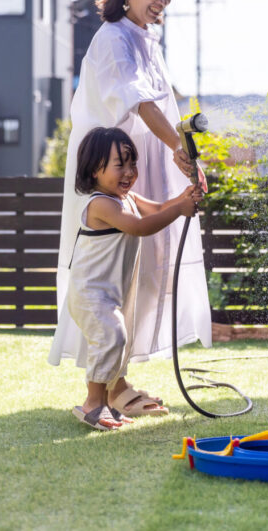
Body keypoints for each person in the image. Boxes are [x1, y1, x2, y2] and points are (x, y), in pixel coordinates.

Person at [49, 0, 212, 412]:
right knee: (113, 278)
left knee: (138, 275)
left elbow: (161, 106)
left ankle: (118, 382)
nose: (162, 0)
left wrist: (185, 157)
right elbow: (138, 102)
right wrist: (179, 149)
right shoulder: (115, 37)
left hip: (139, 168)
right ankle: (111, 389)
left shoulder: (143, 39)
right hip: (112, 176)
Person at [64, 127, 199, 430]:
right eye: (119, 164)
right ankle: (93, 403)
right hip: (89, 292)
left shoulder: (127, 198)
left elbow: (160, 209)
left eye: (132, 163)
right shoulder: (100, 204)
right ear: (94, 170)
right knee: (113, 337)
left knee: (116, 343)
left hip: (108, 293)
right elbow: (139, 227)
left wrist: (182, 198)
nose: (129, 172)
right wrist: (179, 209)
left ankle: (107, 403)